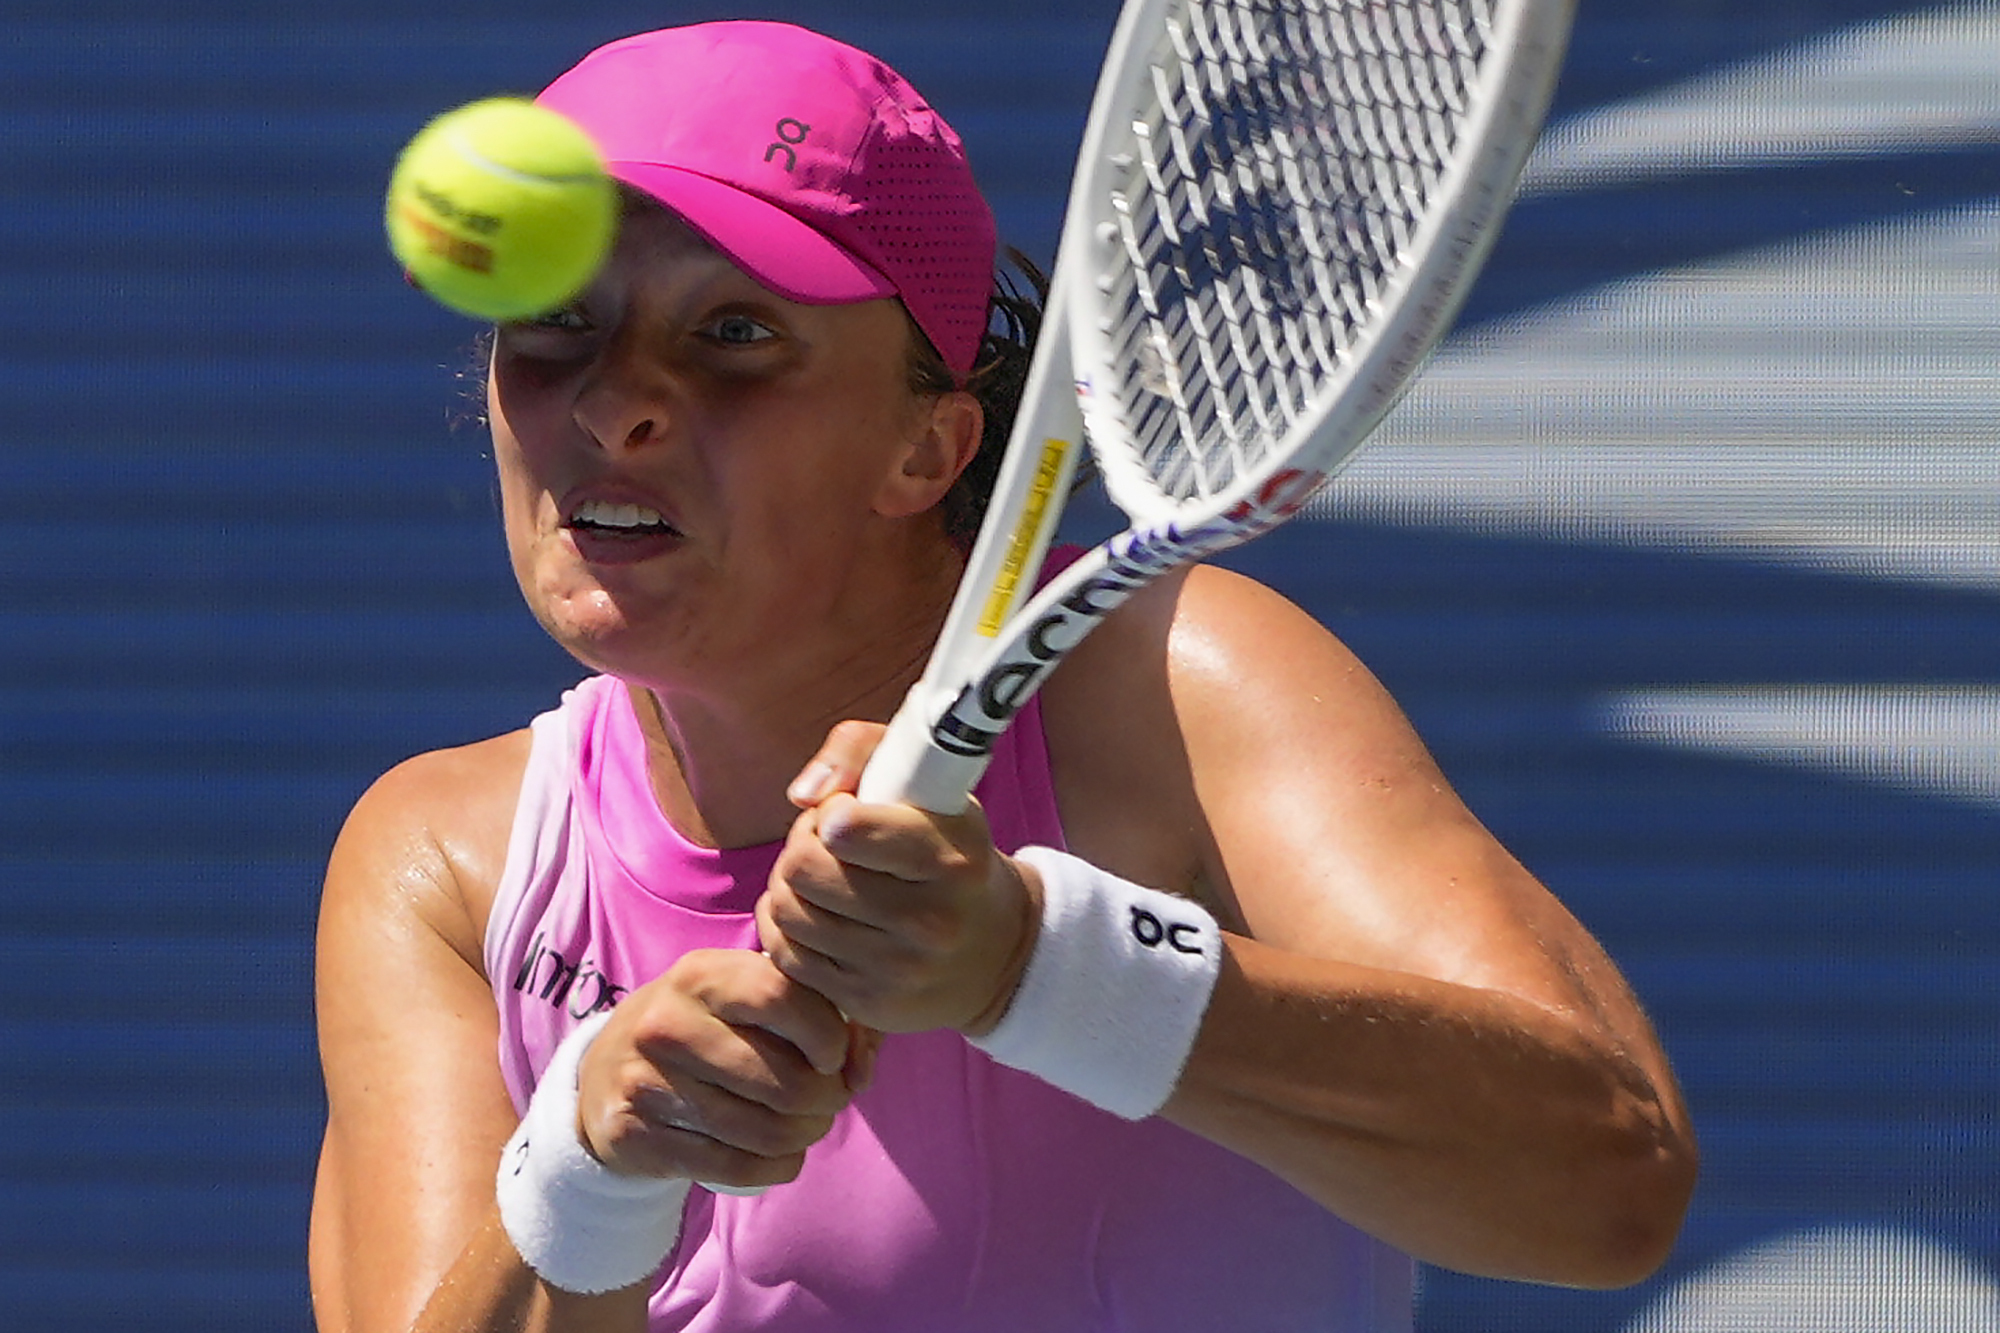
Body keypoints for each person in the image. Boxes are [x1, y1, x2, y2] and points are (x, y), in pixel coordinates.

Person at [309, 19, 1697, 1333]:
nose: (613, 402)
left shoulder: (1172, 686)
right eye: (555, 326)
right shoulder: (448, 863)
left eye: (734, 334)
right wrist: (591, 1163)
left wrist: (1037, 965)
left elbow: (1611, 1179)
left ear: (929, 448)